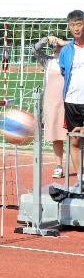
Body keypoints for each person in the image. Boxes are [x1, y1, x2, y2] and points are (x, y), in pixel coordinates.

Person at [34, 35, 69, 178]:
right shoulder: (48, 61)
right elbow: (34, 50)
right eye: (54, 44)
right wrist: (46, 39)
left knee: (75, 137)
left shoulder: (71, 60)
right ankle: (59, 166)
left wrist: (64, 43)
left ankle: (81, 168)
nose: (56, 47)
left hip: (69, 101)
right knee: (57, 136)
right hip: (52, 102)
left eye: (59, 44)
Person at [58, 10, 84, 189]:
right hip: (72, 101)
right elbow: (63, 71)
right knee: (74, 140)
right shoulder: (66, 50)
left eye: (79, 24)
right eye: (73, 25)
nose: (76, 28)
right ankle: (81, 179)